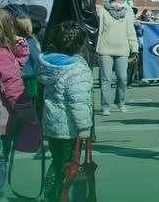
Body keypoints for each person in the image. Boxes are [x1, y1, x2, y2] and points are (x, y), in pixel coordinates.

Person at [38, 22, 92, 202]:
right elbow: (78, 101)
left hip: (52, 123)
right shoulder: (77, 68)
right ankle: (57, 197)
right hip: (69, 127)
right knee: (68, 165)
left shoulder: (47, 62)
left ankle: (51, 195)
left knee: (58, 162)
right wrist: (84, 126)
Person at [0, 9, 38, 201]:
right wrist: (28, 113)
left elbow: (17, 67)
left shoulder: (5, 54)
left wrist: (19, 49)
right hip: (0, 121)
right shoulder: (2, 54)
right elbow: (13, 85)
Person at [95, 0, 139, 115]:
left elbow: (131, 32)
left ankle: (120, 102)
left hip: (122, 50)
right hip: (105, 49)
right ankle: (105, 106)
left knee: (122, 78)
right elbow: (99, 31)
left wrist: (134, 49)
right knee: (106, 79)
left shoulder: (128, 12)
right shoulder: (103, 11)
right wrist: (96, 49)